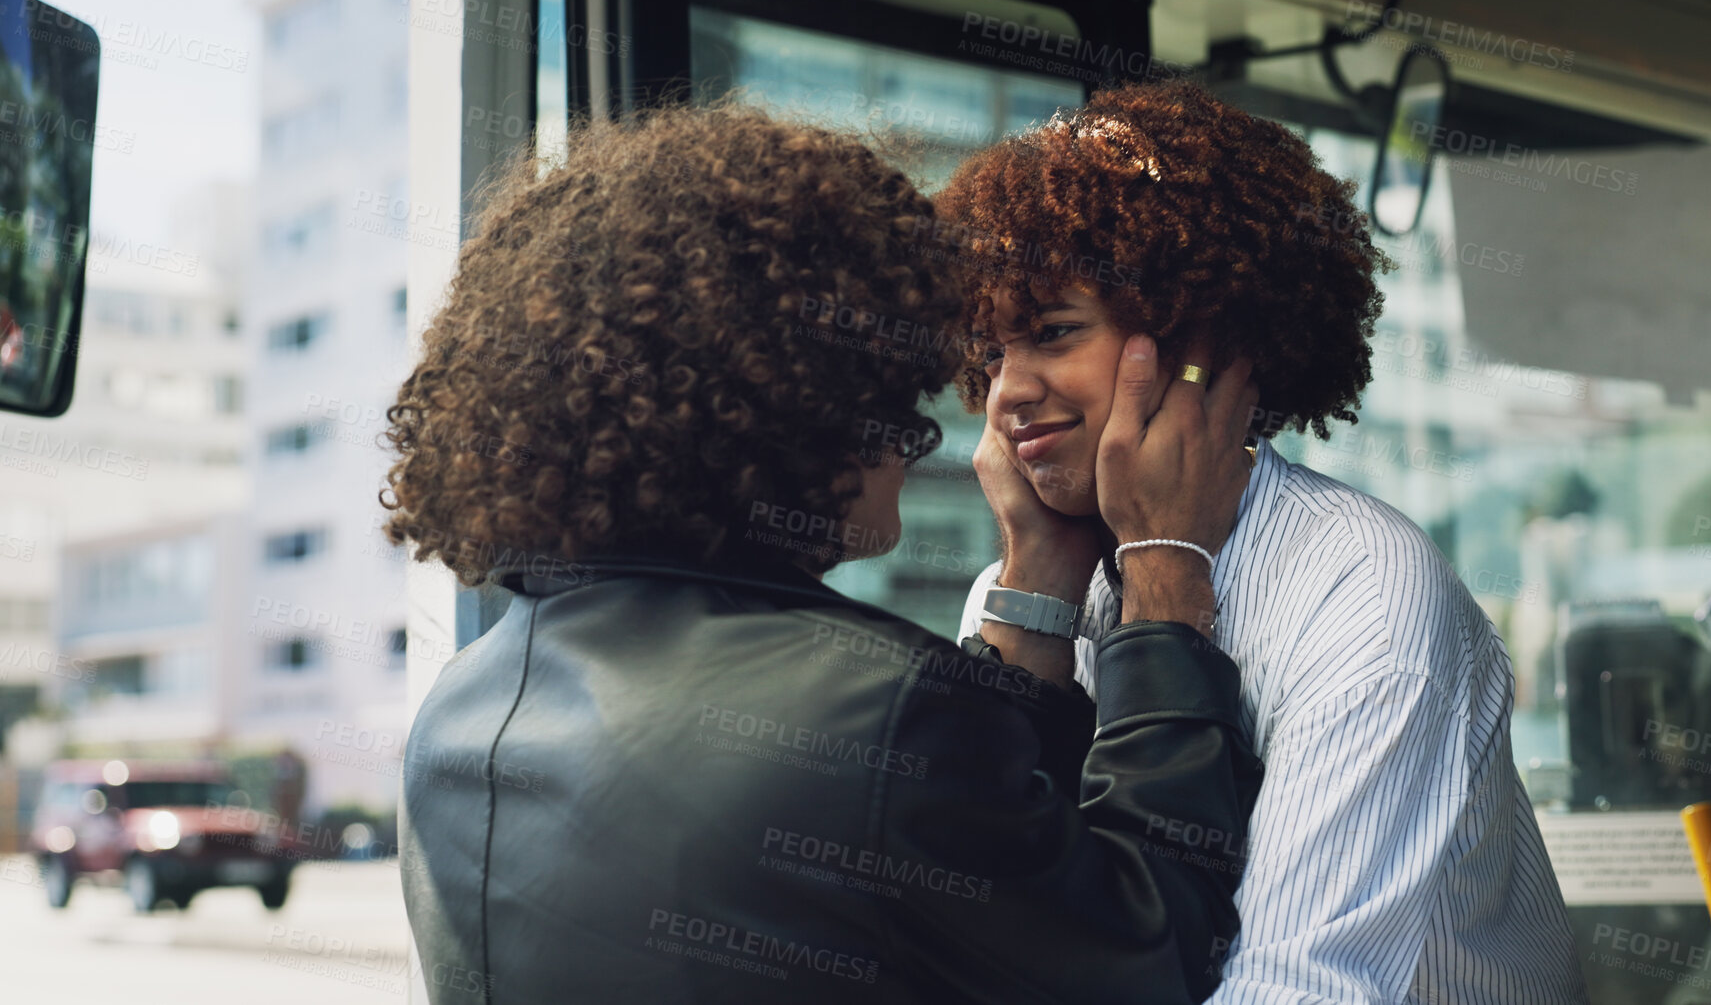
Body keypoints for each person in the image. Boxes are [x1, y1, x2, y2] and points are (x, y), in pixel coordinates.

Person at [381, 100, 1267, 1003]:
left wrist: (1038, 572)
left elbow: (989, 867)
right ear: (797, 397)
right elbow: (1152, 953)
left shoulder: (456, 712)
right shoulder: (877, 711)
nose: (923, 428)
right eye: (894, 381)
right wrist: (1165, 569)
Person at [935, 79, 1588, 1004]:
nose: (1006, 391)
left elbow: (1295, 988)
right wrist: (1035, 585)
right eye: (991, 351)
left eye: (1051, 332)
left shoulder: (1360, 593)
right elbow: (974, 935)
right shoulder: (1018, 591)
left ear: (1195, 341)